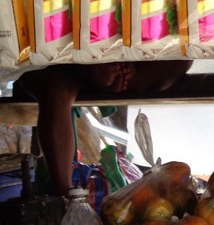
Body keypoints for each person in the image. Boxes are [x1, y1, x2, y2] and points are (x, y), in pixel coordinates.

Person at [16, 61, 193, 196]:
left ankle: (119, 75)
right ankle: (66, 196)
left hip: (113, 58)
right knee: (57, 92)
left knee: (178, 61)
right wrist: (87, 68)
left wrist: (121, 64)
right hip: (54, 64)